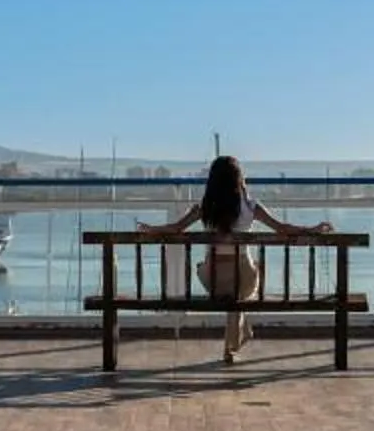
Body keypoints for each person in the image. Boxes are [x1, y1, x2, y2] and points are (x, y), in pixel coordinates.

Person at [138, 155, 333, 363]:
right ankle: (232, 346)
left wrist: (151, 229)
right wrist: (313, 229)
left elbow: (175, 229)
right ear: (240, 179)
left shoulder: (203, 209)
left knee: (218, 280)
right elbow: (284, 229)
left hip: (212, 281)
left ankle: (236, 339)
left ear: (212, 181)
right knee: (244, 284)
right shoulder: (251, 207)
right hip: (243, 279)